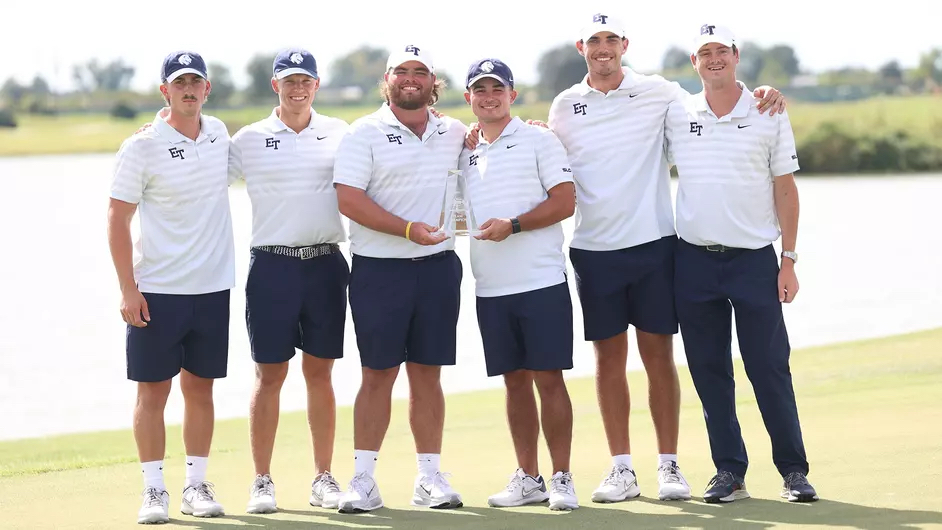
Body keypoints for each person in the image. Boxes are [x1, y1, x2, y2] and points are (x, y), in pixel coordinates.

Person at [546, 12, 785, 503]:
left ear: (624, 44)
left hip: (656, 245)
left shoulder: (658, 92)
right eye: (595, 41)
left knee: (659, 357)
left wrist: (763, 92)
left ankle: (669, 465)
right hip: (593, 249)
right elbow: (547, 153)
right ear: (581, 48)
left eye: (612, 39)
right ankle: (621, 469)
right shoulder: (565, 105)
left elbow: (715, 96)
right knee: (608, 361)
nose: (604, 48)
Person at [664, 23, 818, 504]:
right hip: (692, 261)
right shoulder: (677, 112)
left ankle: (793, 471)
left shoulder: (767, 109)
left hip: (754, 261)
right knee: (709, 370)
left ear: (736, 56)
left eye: (721, 51)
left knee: (769, 367)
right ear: (694, 63)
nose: (714, 59)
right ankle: (730, 471)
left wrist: (788, 259)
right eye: (704, 53)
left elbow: (786, 189)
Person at [331, 44, 467, 514]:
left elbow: (493, 143)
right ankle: (363, 480)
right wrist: (408, 229)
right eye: (402, 72)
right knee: (378, 374)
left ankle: (429, 477)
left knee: (428, 374)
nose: (411, 79)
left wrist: (533, 128)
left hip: (439, 269)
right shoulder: (363, 133)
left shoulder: (455, 132)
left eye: (420, 72)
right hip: (379, 271)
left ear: (434, 83)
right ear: (387, 80)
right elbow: (349, 199)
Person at [108, 50, 233, 524]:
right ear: (165, 91)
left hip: (212, 288)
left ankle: (196, 486)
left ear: (206, 88)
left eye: (195, 82)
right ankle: (154, 490)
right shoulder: (141, 146)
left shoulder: (219, 133)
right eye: (178, 82)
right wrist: (127, 288)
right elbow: (117, 218)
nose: (187, 89)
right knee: (152, 392)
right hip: (157, 290)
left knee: (201, 390)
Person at [228, 48, 350, 514]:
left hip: (324, 264)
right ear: (274, 86)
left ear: (317, 85)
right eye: (289, 81)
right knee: (269, 375)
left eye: (306, 81)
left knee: (320, 374)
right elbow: (200, 166)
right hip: (272, 266)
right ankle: (263, 481)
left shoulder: (340, 132)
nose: (298, 88)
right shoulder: (249, 138)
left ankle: (323, 477)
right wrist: (159, 127)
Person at [458, 58, 580, 511]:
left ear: (512, 94)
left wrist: (514, 224)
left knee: (549, 378)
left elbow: (565, 201)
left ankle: (562, 477)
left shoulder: (538, 139)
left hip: (541, 280)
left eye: (497, 89)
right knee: (513, 382)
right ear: (469, 97)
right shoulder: (465, 151)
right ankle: (529, 478)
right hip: (490, 286)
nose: (488, 97)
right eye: (480, 90)